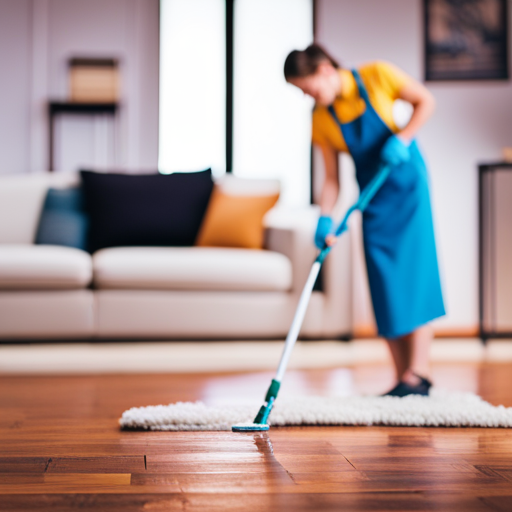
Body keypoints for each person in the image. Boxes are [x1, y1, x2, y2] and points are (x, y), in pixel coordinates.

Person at [284, 44, 445, 396]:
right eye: (302, 92)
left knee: (413, 276)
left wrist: (403, 137)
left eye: (308, 87)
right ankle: (404, 378)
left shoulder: (377, 75)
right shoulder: (321, 118)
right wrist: (324, 219)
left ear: (325, 69)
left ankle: (419, 373)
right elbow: (331, 180)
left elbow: (425, 101)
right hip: (372, 198)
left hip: (406, 186)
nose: (308, 95)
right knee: (384, 280)